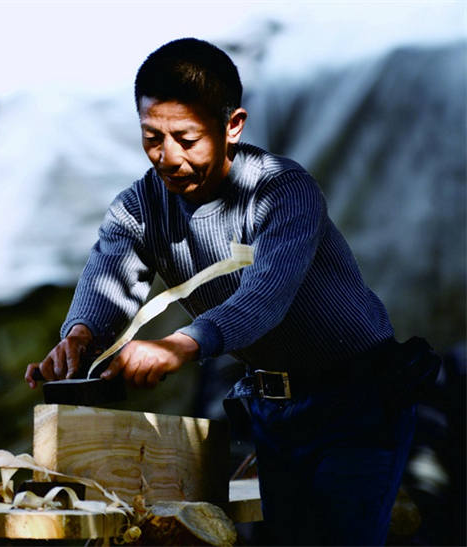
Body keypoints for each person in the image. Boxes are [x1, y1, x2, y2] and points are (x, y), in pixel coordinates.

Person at [24, 38, 438, 545]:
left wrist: (180, 344)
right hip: (272, 410)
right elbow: (107, 279)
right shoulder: (138, 208)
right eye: (151, 136)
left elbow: (264, 299)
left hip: (358, 402)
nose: (167, 156)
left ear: (232, 126)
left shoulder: (282, 190)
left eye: (186, 137)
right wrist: (80, 337)